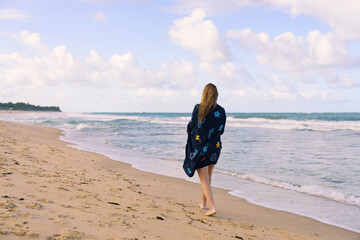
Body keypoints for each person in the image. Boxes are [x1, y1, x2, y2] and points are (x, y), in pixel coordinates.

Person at [183, 83, 226, 216]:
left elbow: (192, 125)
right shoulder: (221, 111)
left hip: (200, 148)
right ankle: (203, 203)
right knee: (207, 178)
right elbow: (221, 130)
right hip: (215, 148)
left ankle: (213, 207)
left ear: (204, 94)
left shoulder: (198, 108)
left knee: (204, 180)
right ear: (216, 95)